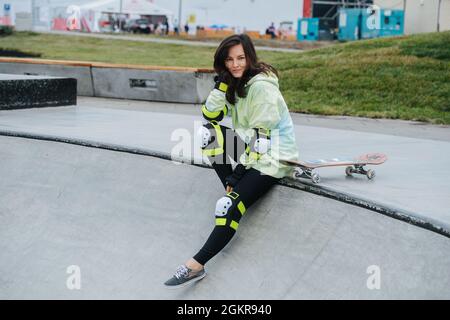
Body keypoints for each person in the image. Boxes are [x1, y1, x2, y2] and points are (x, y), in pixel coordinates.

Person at [164, 34, 299, 288]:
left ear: (250, 57)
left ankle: (197, 264)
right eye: (230, 60)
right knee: (207, 133)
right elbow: (210, 114)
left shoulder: (262, 87)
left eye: (241, 58)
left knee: (227, 207)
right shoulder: (235, 82)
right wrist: (222, 85)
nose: (236, 64)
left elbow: (262, 140)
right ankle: (235, 191)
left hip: (274, 156)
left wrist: (236, 176)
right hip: (252, 150)